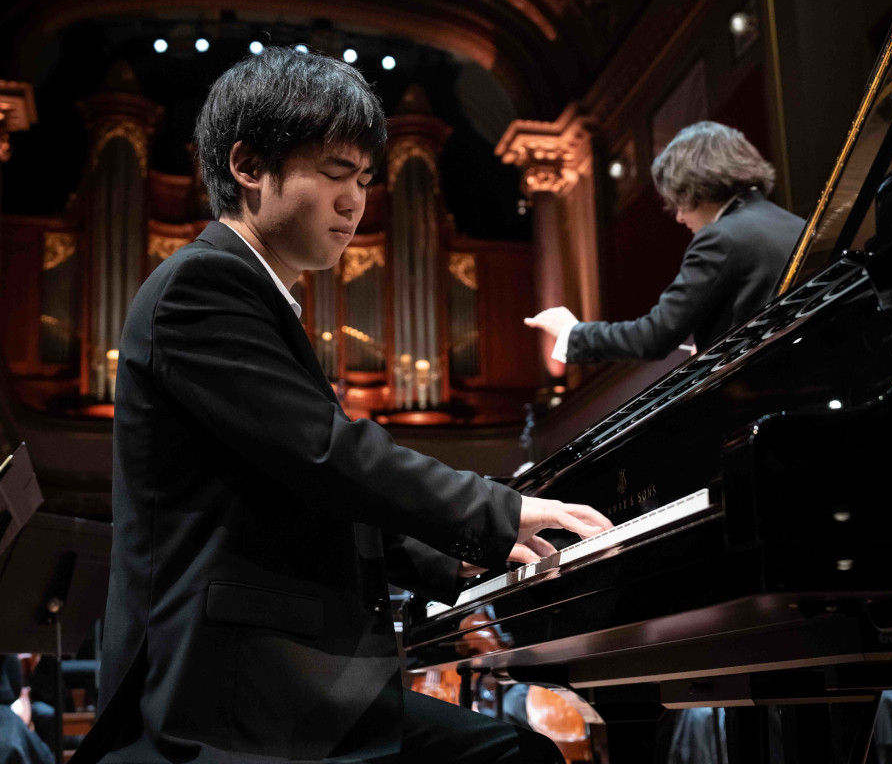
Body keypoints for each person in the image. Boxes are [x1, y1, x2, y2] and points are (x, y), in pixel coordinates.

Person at [72, 47, 611, 764]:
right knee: (515, 755)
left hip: (272, 673)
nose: (356, 201)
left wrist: (463, 560)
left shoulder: (253, 294)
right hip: (226, 689)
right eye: (333, 175)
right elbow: (326, 454)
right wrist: (498, 509)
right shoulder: (202, 287)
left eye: (363, 178)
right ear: (247, 165)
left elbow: (314, 492)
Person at [525, 121, 805, 363]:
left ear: (693, 186)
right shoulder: (798, 225)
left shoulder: (721, 237)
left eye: (677, 202)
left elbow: (654, 337)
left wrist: (573, 333)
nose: (680, 218)